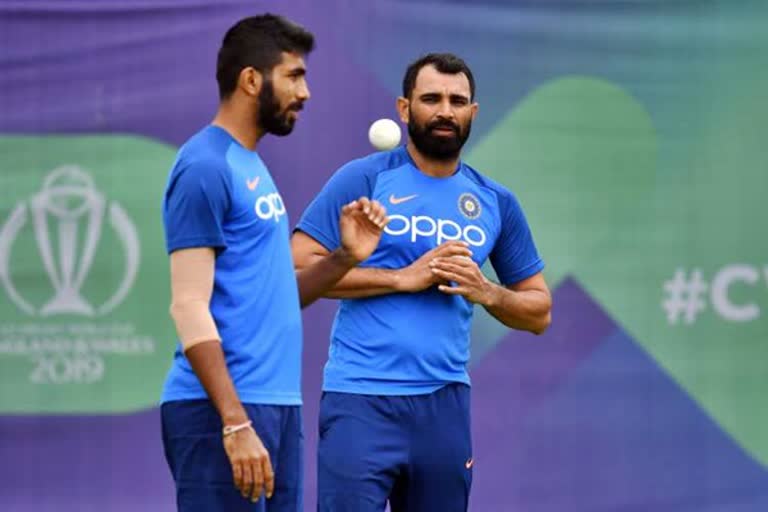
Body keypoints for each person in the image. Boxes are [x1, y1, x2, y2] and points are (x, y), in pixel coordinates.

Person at [292, 52, 552, 511]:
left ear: (473, 112)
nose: (445, 111)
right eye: (431, 98)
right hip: (360, 398)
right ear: (404, 108)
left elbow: (539, 312)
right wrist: (401, 278)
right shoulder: (364, 178)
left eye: (458, 100)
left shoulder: (496, 202)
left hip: (444, 404)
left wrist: (486, 290)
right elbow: (295, 274)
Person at [159, 14, 388, 512]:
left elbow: (278, 294)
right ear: (250, 80)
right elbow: (188, 306)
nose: (305, 93)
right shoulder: (205, 166)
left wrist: (346, 257)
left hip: (277, 408)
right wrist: (234, 421)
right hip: (220, 412)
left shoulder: (250, 164)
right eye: (294, 76)